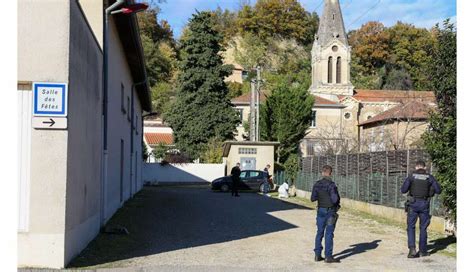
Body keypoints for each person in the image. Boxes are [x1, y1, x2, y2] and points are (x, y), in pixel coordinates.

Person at [401, 160, 441, 258]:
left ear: (416, 167)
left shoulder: (411, 176)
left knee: (411, 227)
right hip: (424, 205)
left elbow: (403, 190)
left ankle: (412, 250)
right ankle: (423, 251)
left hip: (413, 204)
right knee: (423, 228)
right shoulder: (430, 177)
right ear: (424, 167)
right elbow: (438, 190)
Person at [310, 165, 341, 263]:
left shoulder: (317, 184)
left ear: (322, 173)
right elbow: (335, 199)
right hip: (330, 212)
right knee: (329, 233)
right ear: (330, 173)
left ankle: (317, 255)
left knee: (319, 232)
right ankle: (328, 257)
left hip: (320, 211)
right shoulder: (331, 185)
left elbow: (312, 198)